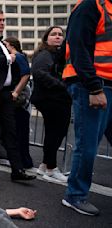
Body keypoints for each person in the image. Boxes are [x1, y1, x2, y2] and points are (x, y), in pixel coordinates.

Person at [61, 0, 112, 216]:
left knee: (89, 143)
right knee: (88, 144)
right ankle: (75, 195)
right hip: (92, 85)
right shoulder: (90, 5)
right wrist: (93, 88)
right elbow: (78, 47)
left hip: (106, 83)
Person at [0, 9, 36, 182]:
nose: (2, 23)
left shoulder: (2, 43)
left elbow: (7, 64)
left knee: (11, 131)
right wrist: (8, 58)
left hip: (6, 94)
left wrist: (2, 59)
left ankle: (17, 170)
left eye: (4, 20)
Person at [30, 26, 71, 183]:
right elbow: (40, 74)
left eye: (60, 34)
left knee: (53, 133)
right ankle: (51, 169)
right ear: (46, 38)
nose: (58, 37)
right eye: (53, 34)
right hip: (52, 99)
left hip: (53, 99)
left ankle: (45, 165)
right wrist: (63, 86)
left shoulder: (54, 54)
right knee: (55, 134)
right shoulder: (45, 54)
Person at [3, 37, 33, 170]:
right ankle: (22, 160)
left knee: (19, 131)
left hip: (18, 100)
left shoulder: (17, 56)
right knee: (17, 131)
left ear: (10, 45)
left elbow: (26, 74)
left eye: (4, 45)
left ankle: (23, 161)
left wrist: (15, 92)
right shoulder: (17, 56)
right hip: (19, 99)